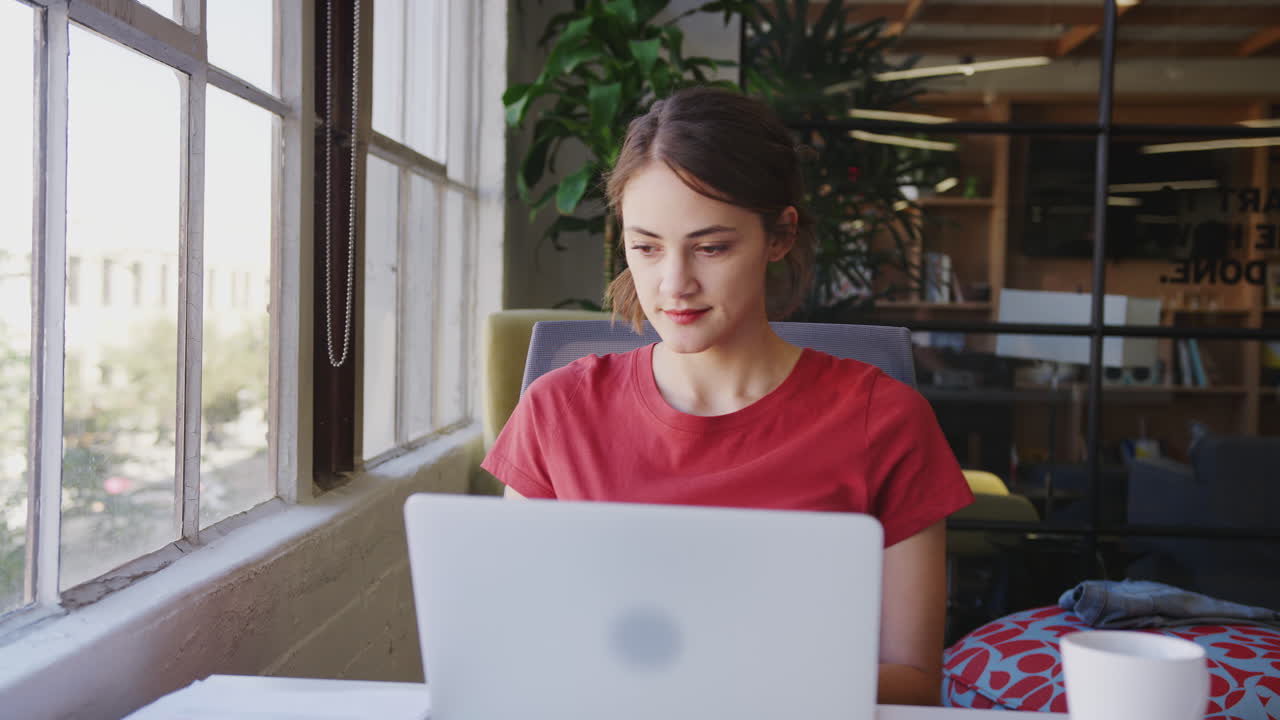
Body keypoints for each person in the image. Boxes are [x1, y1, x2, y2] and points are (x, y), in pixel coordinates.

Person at [482, 86, 974, 706]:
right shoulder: (558, 411)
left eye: (711, 248)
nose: (675, 284)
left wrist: (714, 678)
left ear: (780, 236)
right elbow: (510, 646)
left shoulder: (889, 422)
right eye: (646, 247)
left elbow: (913, 684)